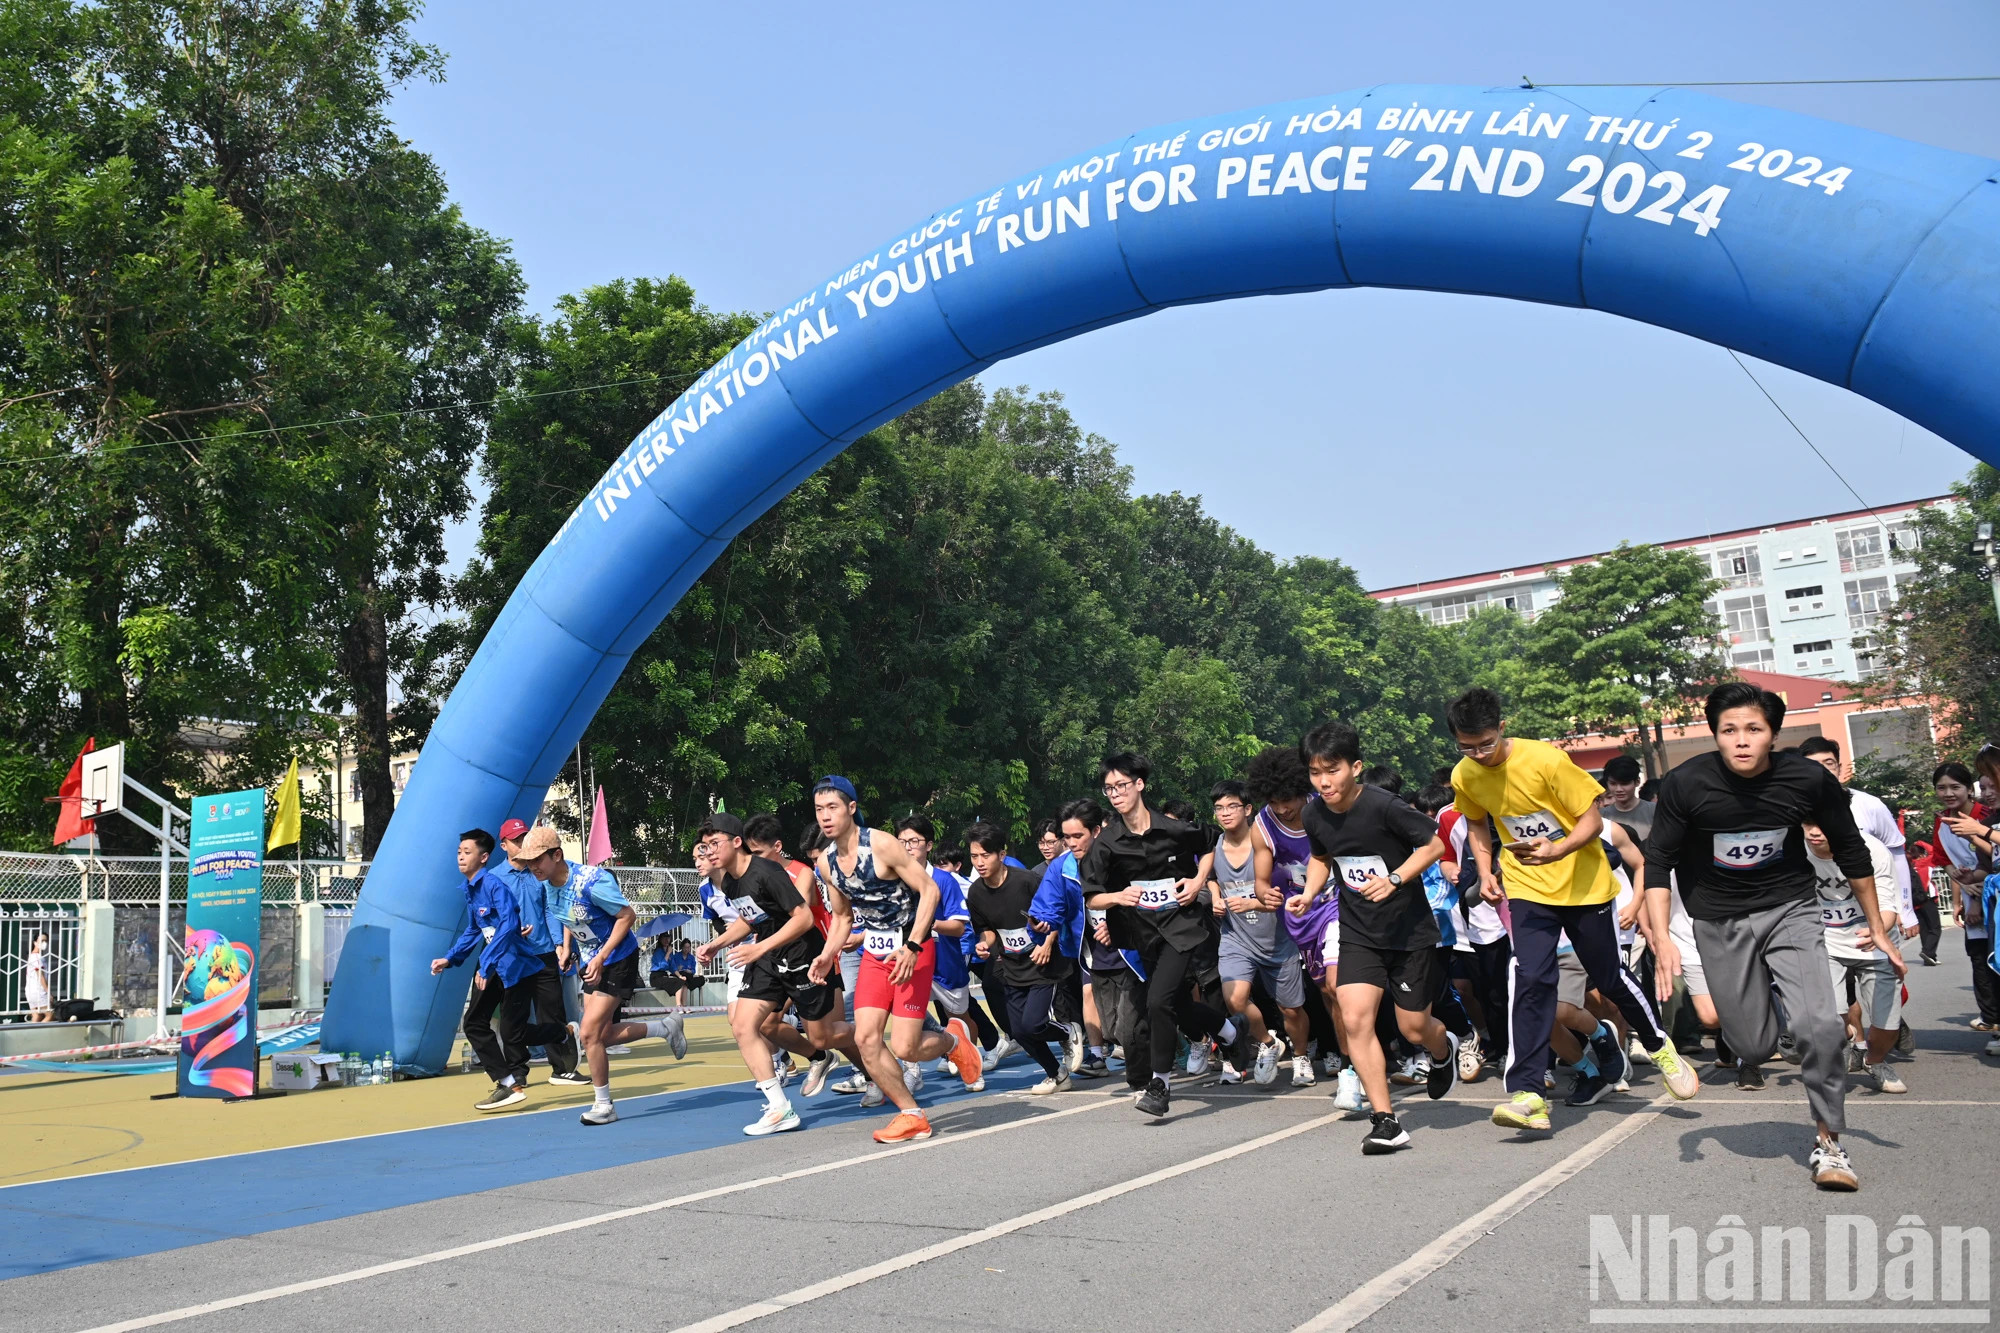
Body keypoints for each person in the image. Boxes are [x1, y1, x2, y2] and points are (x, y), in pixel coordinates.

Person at [1646, 682, 1900, 1190]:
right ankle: (1777, 1026)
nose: (1741, 741)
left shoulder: (1805, 779)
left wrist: (1878, 926)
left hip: (1791, 908)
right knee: (1753, 1045)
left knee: (1820, 1028)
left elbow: (1851, 850)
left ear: (1773, 735)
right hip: (1718, 920)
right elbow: (1658, 863)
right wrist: (1661, 942)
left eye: (1753, 730)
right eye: (1728, 731)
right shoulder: (1686, 784)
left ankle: (1829, 1145)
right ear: (1715, 736)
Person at [1447, 688, 1696, 1136]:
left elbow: (1593, 820)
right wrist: (1485, 871)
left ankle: (1659, 1046)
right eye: (1467, 747)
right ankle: (1528, 1095)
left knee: (1610, 978)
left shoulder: (1545, 761)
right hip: (1526, 887)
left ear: (1502, 729)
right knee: (1529, 978)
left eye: (1485, 744)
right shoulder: (1465, 774)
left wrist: (1557, 847)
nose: (1478, 754)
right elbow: (1478, 823)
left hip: (1583, 886)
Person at [1289, 721, 1458, 1154]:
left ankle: (1444, 1050)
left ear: (1356, 767)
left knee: (1414, 1027)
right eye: (1314, 772)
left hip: (1408, 932)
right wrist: (1308, 894)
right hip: (1359, 931)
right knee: (1354, 1017)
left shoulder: (1385, 806)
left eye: (1332, 770)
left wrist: (1396, 878)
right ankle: (1385, 1120)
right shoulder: (1313, 813)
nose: (1323, 781)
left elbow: (1435, 846)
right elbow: (1322, 858)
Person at [810, 777, 984, 1143]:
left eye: (833, 808)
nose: (825, 817)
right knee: (865, 1037)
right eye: (819, 809)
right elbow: (841, 917)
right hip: (874, 951)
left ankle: (955, 1042)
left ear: (851, 808)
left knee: (907, 1048)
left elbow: (930, 890)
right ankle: (911, 1114)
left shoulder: (882, 845)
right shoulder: (827, 864)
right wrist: (827, 955)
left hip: (912, 950)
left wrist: (914, 945)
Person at [1081, 752, 1253, 1119]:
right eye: (1108, 788)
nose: (1115, 794)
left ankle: (1159, 1085)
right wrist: (1117, 897)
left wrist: (1197, 880)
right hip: (1142, 934)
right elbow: (1091, 893)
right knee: (1175, 1002)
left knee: (1158, 1002)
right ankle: (1230, 1032)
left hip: (1182, 927)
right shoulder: (1107, 843)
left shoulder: (1172, 829)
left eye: (1121, 786)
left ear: (1139, 784)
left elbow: (1210, 844)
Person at [698, 811, 866, 1135]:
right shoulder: (731, 882)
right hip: (769, 957)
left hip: (804, 954)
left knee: (823, 1035)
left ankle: (871, 1045)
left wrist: (758, 948)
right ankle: (780, 1107)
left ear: (736, 842)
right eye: (705, 846)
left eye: (714, 843)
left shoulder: (768, 872)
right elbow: (752, 920)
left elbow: (803, 918)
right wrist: (716, 944)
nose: (709, 851)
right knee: (746, 1025)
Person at [514, 825, 688, 1124]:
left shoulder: (593, 882)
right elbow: (568, 916)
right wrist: (566, 947)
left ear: (557, 855)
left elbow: (627, 916)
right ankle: (666, 1028)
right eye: (527, 861)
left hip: (618, 958)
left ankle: (604, 1105)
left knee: (589, 1033)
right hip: (592, 960)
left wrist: (602, 956)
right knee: (601, 1035)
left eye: (537, 860)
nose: (532, 867)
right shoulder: (547, 884)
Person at [1246, 744, 1352, 1100]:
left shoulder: (1324, 807)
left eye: (1287, 799)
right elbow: (1261, 881)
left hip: (1339, 902)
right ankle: (1348, 1052)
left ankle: (1353, 1069)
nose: (1282, 808)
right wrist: (1265, 894)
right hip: (1301, 916)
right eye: (1274, 801)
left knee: (1339, 987)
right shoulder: (1261, 825)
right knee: (1326, 992)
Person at [432, 828, 552, 1112]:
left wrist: (485, 964)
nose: (461, 857)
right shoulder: (471, 890)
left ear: (484, 857)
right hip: (495, 964)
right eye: (459, 852)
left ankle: (562, 1033)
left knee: (514, 1033)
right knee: (475, 1022)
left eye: (467, 852)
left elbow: (509, 925)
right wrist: (450, 958)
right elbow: (476, 929)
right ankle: (508, 1082)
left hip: (516, 967)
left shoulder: (495, 886)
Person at [1209, 778, 1308, 1086]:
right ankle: (1268, 1043)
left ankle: (1302, 1057)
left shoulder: (1267, 842)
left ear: (1248, 808)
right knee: (1235, 999)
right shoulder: (1215, 844)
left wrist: (1252, 901)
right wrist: (1214, 896)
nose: (1225, 813)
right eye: (1218, 808)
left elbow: (1287, 893)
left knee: (1291, 1010)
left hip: (1278, 938)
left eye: (1232, 806)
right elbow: (1210, 875)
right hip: (1236, 937)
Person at [964, 821, 1076, 1093]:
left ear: (1001, 855)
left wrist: (1047, 943)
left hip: (1042, 964)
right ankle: (1057, 1074)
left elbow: (1056, 912)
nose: (979, 862)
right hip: (1011, 966)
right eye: (974, 856)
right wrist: (984, 944)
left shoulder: (1027, 881)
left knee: (1034, 1023)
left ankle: (1068, 1032)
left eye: (985, 855)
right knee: (1020, 1031)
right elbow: (988, 930)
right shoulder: (976, 892)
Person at [1802, 818, 1907, 1095]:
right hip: (1826, 942)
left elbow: (1887, 905)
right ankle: (1848, 1036)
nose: (1814, 831)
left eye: (1822, 823)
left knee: (1887, 1025)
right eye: (1807, 822)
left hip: (1875, 942)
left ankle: (1875, 1061)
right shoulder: (1794, 848)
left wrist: (1877, 933)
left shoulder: (1872, 849)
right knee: (1829, 1022)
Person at [1799, 737, 1918, 944]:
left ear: (1839, 767)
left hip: (1873, 915)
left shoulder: (1870, 805)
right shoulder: (1791, 809)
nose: (1822, 772)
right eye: (1812, 766)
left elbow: (1896, 857)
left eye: (1828, 764)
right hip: (1826, 928)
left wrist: (1905, 909)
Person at [494, 818, 586, 1087]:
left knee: (552, 1012)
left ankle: (561, 1068)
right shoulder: (495, 878)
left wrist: (559, 943)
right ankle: (517, 1073)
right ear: (504, 846)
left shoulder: (539, 874)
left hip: (544, 954)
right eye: (516, 840)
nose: (523, 843)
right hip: (512, 957)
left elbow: (550, 909)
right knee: (513, 1017)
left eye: (525, 837)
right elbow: (488, 917)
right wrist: (508, 931)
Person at [1932, 761, 2000, 1029]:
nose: (1948, 793)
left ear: (1968, 790)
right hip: (1980, 891)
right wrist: (1965, 887)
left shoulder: (1987, 816)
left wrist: (1978, 832)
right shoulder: (1942, 821)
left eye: (1955, 786)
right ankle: (1992, 1019)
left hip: (1988, 894)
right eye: (1941, 787)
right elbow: (1944, 859)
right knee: (1981, 958)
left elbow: (1987, 855)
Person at [1598, 755, 1654, 843]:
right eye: (1613, 784)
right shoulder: (1600, 816)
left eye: (1624, 784)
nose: (1619, 789)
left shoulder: (1654, 811)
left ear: (1637, 782)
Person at [25, 932, 52, 1023]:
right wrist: (48, 992)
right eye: (42, 941)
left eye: (46, 941)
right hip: (38, 992)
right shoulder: (36, 957)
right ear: (35, 942)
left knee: (37, 1016)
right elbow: (40, 976)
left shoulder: (32, 956)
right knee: (50, 1015)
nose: (45, 943)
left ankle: (30, 1035)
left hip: (30, 991)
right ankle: (38, 1035)